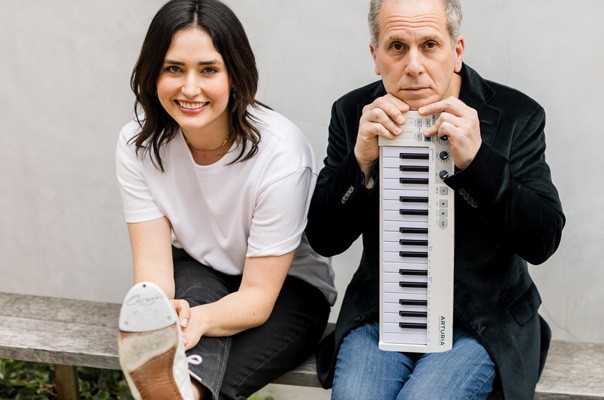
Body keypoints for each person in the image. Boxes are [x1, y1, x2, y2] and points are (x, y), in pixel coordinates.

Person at [306, 0, 565, 398]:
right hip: (383, 313)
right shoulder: (352, 113)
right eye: (396, 47)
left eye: (429, 45)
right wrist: (360, 163)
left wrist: (479, 162)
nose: (413, 66)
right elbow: (324, 237)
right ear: (375, 56)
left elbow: (542, 239)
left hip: (483, 322)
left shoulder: (516, 115)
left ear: (456, 51)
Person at [114, 1, 336, 399]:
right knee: (185, 317)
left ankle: (185, 391)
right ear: (153, 74)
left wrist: (195, 322)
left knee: (209, 373)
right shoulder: (138, 146)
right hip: (200, 269)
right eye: (173, 68)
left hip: (286, 288)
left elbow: (256, 300)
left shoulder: (281, 155)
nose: (190, 88)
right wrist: (167, 319)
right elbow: (154, 275)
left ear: (235, 74)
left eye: (209, 70)